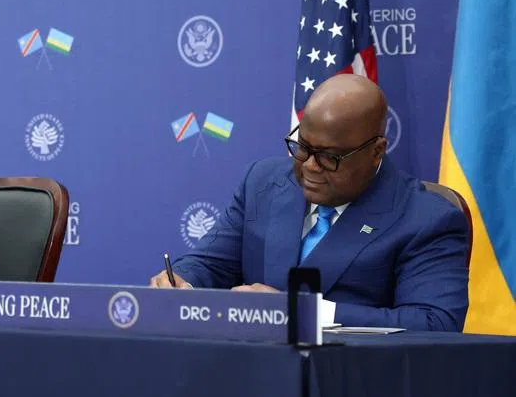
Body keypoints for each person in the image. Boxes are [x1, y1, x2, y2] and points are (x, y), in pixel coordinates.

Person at [150, 74, 468, 332]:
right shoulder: (263, 183)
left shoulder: (427, 219)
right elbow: (212, 264)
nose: (311, 166)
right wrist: (183, 281)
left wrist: (303, 312)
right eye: (302, 147)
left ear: (376, 152)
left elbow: (435, 323)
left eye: (330, 157)